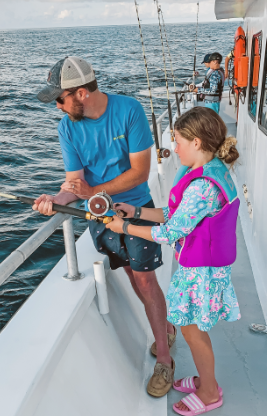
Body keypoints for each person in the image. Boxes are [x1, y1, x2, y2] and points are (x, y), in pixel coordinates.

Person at [33, 55, 176, 397]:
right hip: (100, 218)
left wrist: (93, 192)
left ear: (81, 93)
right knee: (130, 274)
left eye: (60, 98)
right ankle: (166, 327)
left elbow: (140, 173)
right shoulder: (67, 126)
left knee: (145, 279)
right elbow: (74, 183)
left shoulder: (129, 111)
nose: (57, 105)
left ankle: (166, 359)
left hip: (137, 209)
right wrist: (55, 200)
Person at [106, 107, 241, 414]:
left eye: (178, 140)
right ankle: (205, 380)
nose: (174, 148)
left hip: (201, 271)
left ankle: (209, 392)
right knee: (193, 329)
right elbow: (176, 216)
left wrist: (123, 227)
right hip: (202, 265)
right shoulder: (210, 170)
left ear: (197, 142)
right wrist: (136, 211)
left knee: (193, 331)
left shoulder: (202, 186)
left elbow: (170, 232)